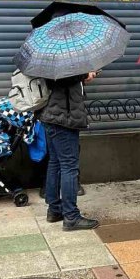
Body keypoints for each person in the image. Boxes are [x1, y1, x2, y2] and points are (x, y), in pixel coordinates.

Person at [38, 71, 99, 231]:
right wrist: (85, 74)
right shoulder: (66, 62)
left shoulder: (52, 58)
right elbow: (65, 77)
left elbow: (61, 82)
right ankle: (71, 216)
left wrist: (83, 77)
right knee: (69, 167)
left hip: (52, 116)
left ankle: (54, 210)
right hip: (64, 119)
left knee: (55, 163)